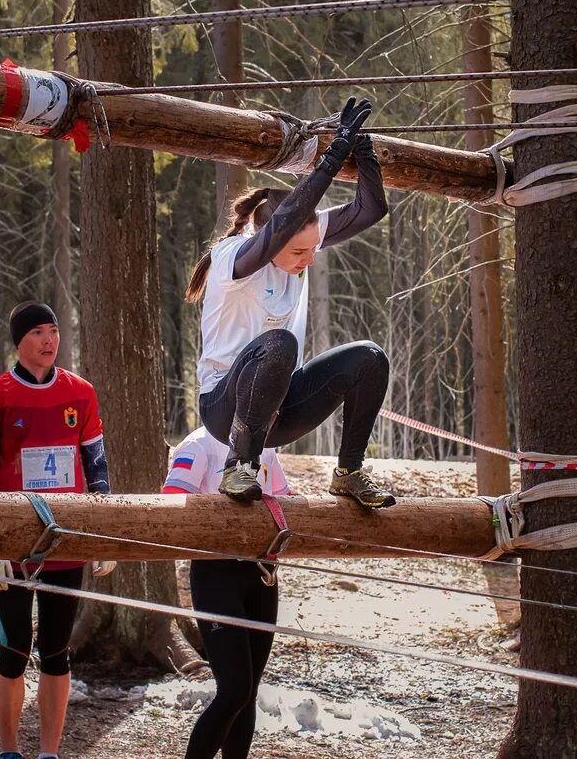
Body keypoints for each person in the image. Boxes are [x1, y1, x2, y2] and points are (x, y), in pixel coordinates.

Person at [186, 96, 394, 510]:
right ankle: (238, 467)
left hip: (280, 410)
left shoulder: (302, 242)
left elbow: (372, 208)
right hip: (224, 410)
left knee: (370, 358)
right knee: (279, 344)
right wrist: (334, 154)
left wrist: (362, 149)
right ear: (273, 240)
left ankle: (349, 472)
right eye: (299, 252)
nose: (310, 258)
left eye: (312, 248)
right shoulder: (235, 256)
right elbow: (287, 220)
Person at [0, 301, 116, 759]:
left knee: (56, 651)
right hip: (13, 545)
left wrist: (104, 533)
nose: (49, 340)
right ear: (19, 342)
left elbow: (97, 467)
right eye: (38, 333)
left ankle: (49, 753)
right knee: (14, 650)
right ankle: (9, 750)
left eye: (53, 331)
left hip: (66, 542)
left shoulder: (81, 393)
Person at [161, 427, 287, 759]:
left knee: (247, 692)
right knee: (234, 690)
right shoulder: (199, 443)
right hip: (216, 574)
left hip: (260, 574)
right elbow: (171, 501)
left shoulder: (266, 444)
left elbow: (284, 499)